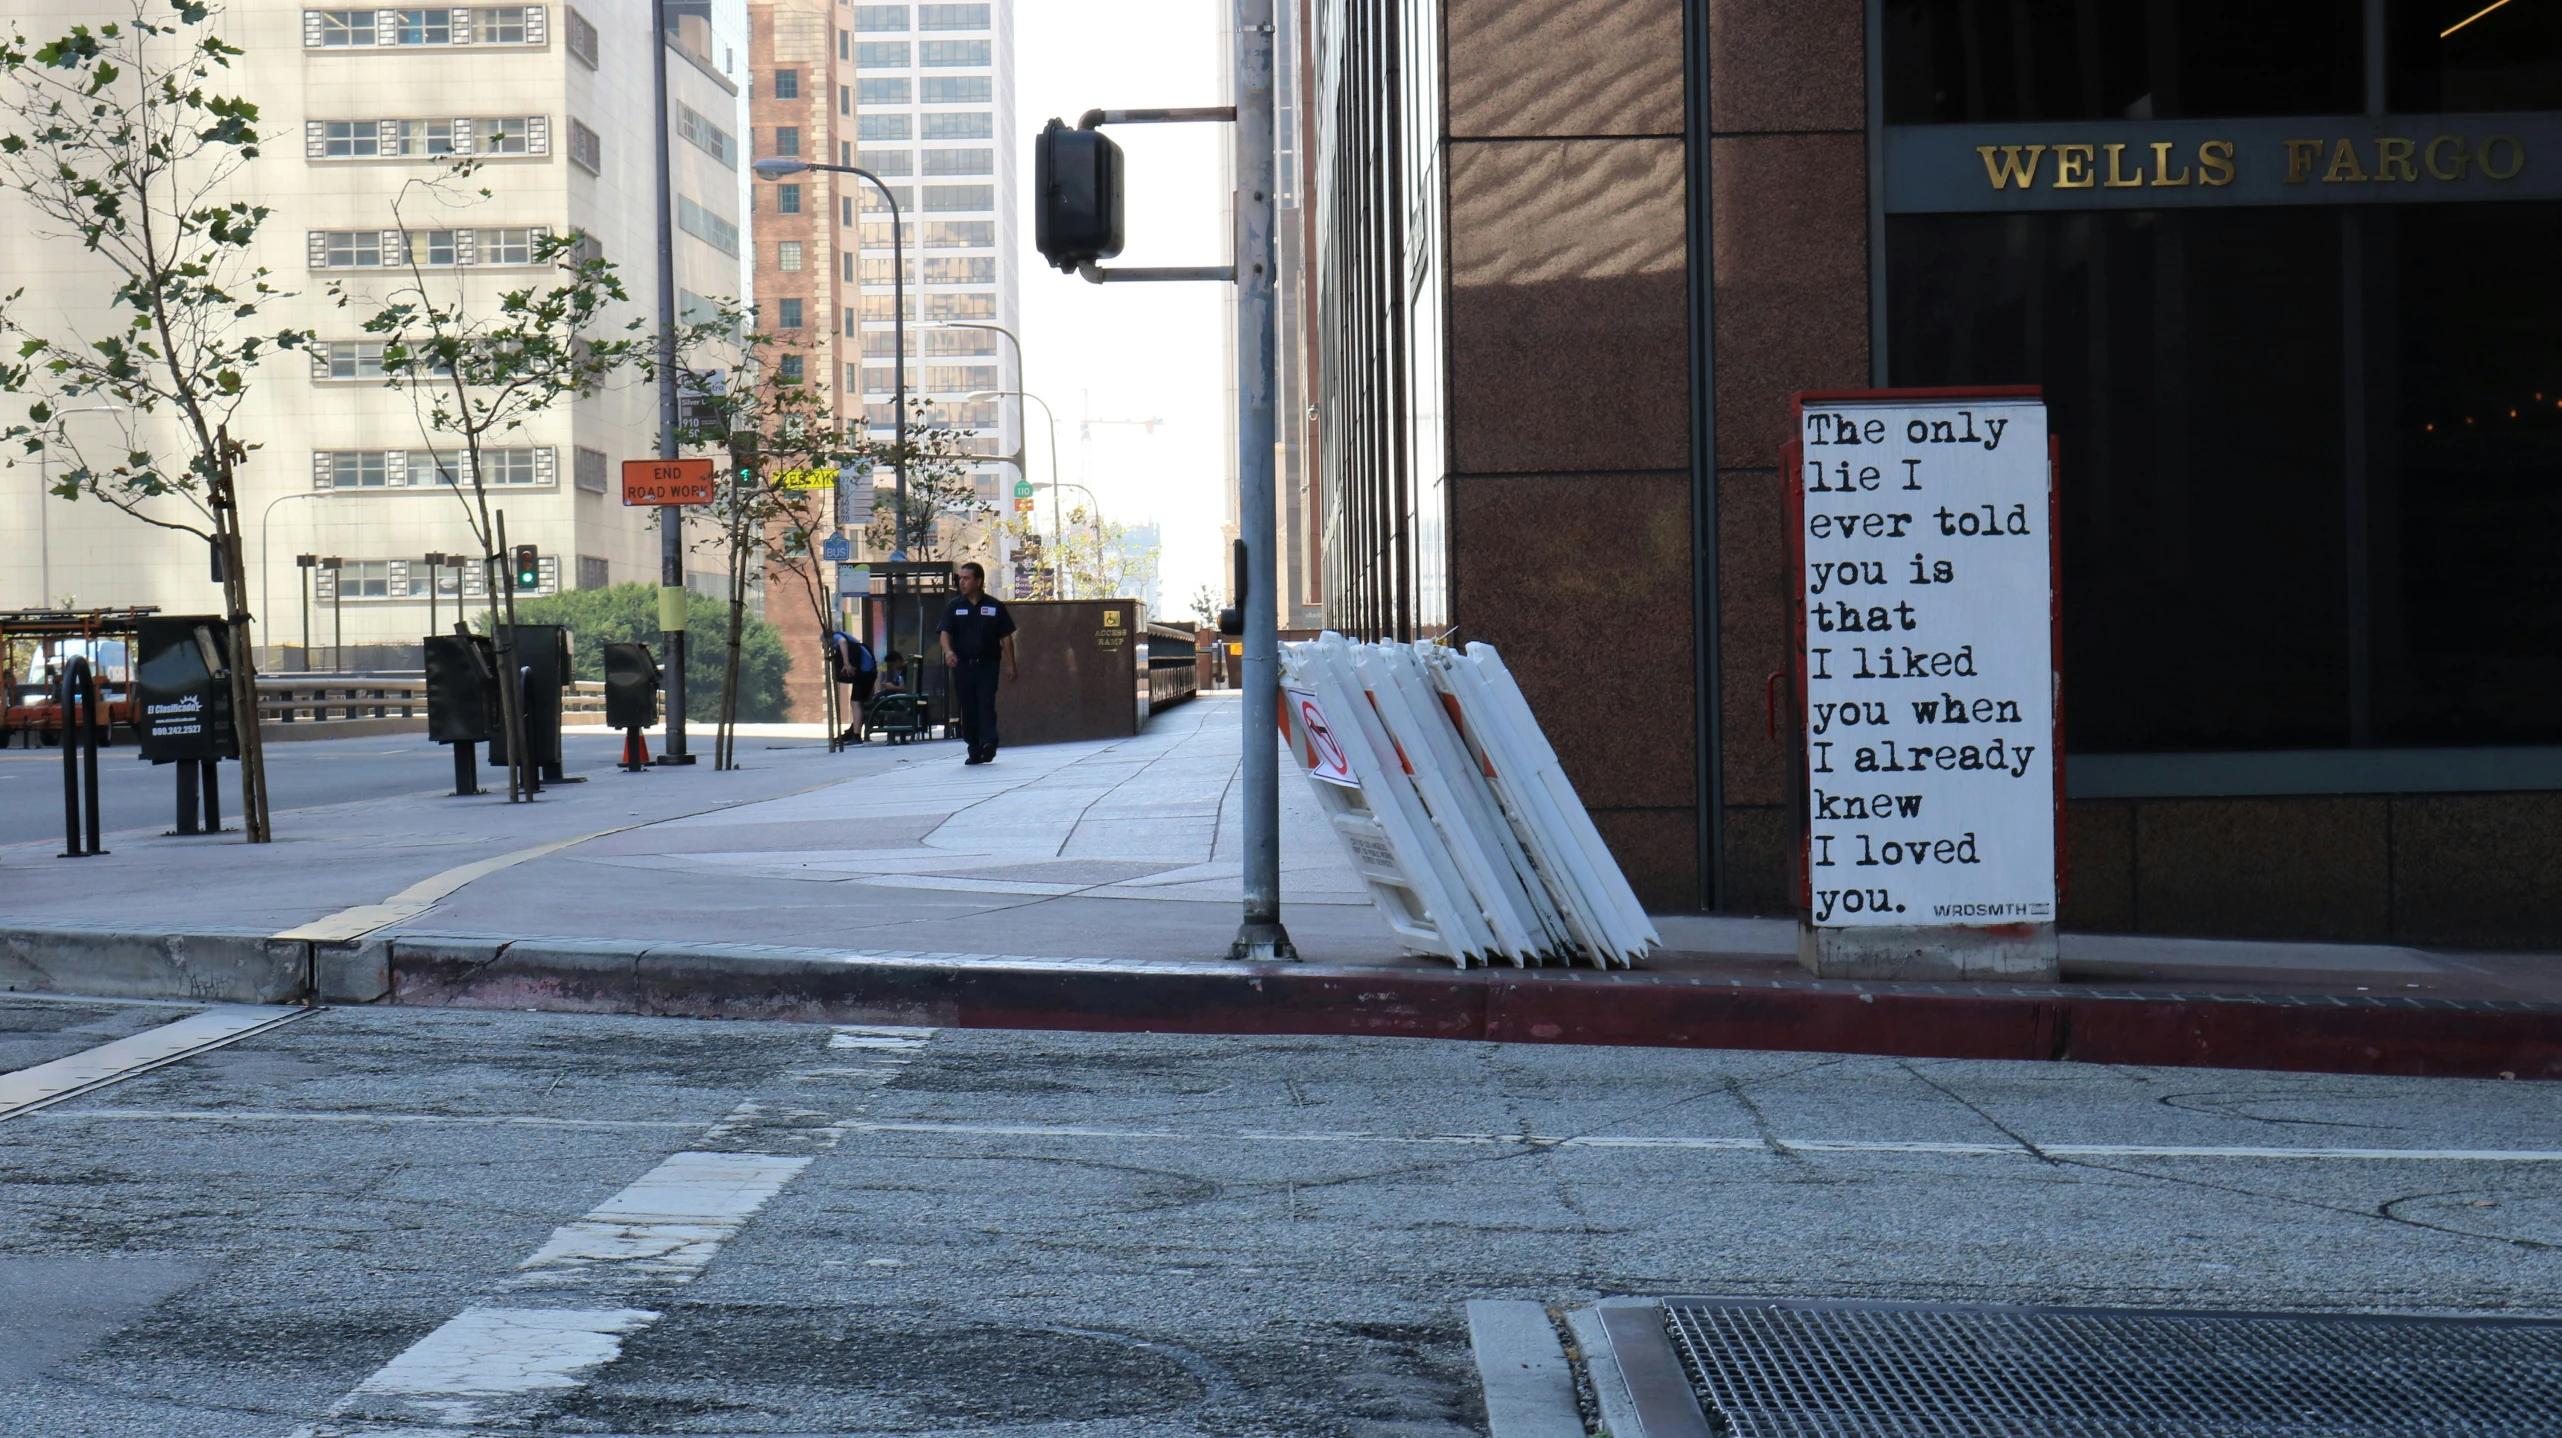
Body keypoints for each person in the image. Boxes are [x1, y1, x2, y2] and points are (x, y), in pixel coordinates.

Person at [937, 561, 1017, 765]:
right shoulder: (954, 606)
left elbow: (1006, 637)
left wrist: (1011, 664)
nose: (961, 582)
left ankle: (989, 743)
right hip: (963, 665)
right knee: (968, 706)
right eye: (960, 578)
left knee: (986, 703)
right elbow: (945, 633)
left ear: (978, 581)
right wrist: (948, 652)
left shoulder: (994, 606)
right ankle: (973, 747)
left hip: (988, 664)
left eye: (966, 578)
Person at [829, 624, 877, 744]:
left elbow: (842, 642)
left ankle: (856, 736)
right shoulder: (848, 637)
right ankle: (853, 732)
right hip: (868, 672)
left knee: (856, 703)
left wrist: (846, 663)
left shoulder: (837, 637)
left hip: (865, 673)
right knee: (857, 702)